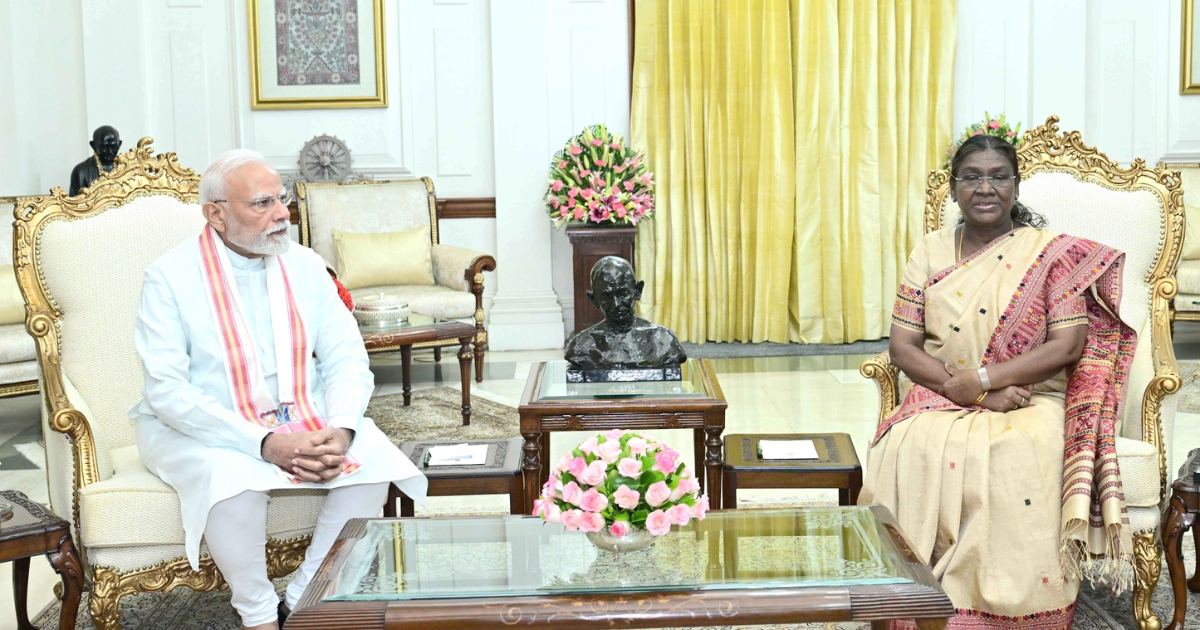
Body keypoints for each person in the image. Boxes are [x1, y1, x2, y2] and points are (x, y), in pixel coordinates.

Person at [129, 149, 427, 630]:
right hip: (200, 423)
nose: (282, 213)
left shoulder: (306, 265)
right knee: (229, 478)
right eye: (262, 203)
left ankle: (305, 595)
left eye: (282, 199)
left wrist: (342, 428)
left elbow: (347, 357)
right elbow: (167, 390)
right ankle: (259, 614)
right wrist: (264, 443)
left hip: (299, 413)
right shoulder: (169, 277)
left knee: (372, 457)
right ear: (216, 214)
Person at [860, 134, 1135, 629]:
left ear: (1016, 185)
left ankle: (1007, 606)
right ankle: (912, 597)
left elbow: (1065, 348)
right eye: (971, 177)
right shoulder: (930, 250)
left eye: (997, 176)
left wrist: (985, 379)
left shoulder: (1052, 255)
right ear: (953, 188)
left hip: (1030, 397)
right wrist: (971, 390)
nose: (985, 188)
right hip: (944, 391)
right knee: (906, 445)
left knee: (1016, 452)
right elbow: (903, 348)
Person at [564, 256, 686, 369]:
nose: (616, 304)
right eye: (607, 296)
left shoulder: (663, 340)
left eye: (623, 294)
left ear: (637, 291)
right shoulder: (582, 345)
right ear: (594, 299)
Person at [69, 126, 122, 196]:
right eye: (104, 147)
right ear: (93, 145)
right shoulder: (81, 171)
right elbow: (75, 204)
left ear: (119, 144)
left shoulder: (126, 167)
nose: (110, 151)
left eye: (114, 146)